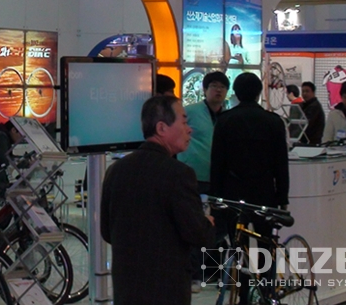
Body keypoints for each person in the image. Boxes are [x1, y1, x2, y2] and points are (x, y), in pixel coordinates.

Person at [100, 95, 214, 304]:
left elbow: (107, 231)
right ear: (161, 128)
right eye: (184, 122)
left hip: (126, 287)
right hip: (166, 288)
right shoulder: (179, 174)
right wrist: (207, 223)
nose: (189, 129)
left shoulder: (116, 170)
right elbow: (197, 233)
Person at [210, 72, 289, 303]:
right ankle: (266, 292)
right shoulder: (273, 122)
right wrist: (282, 197)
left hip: (234, 193)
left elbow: (217, 163)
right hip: (265, 192)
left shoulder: (225, 121)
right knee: (265, 243)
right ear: (258, 93)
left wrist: (215, 198)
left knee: (238, 246)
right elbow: (281, 165)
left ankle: (243, 295)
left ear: (235, 93)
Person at [177, 70, 228, 292]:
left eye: (222, 87)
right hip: (195, 176)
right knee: (196, 225)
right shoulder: (191, 112)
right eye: (214, 86)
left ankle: (212, 272)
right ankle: (194, 275)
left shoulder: (227, 115)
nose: (218, 90)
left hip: (219, 179)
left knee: (218, 227)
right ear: (205, 89)